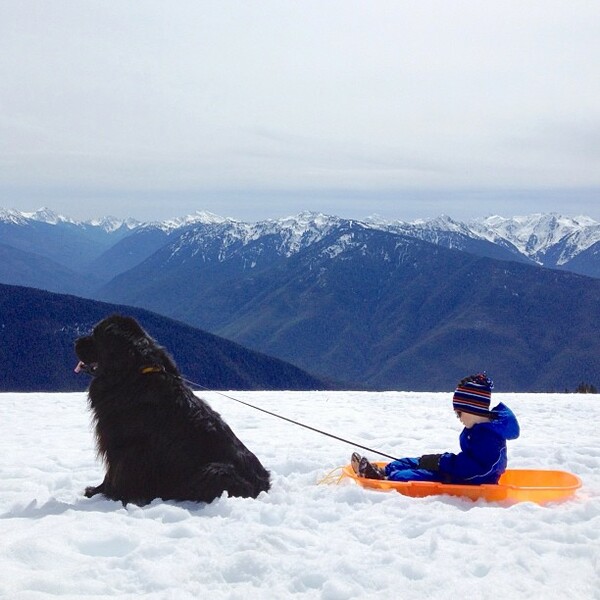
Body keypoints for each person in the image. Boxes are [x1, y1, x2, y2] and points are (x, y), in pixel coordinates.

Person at [351, 373, 520, 485]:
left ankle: (385, 478)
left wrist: (442, 463)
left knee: (416, 475)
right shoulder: (477, 430)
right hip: (456, 470)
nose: (459, 418)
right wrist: (439, 461)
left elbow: (477, 470)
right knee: (416, 461)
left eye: (459, 413)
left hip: (467, 480)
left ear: (472, 410)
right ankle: (383, 470)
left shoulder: (489, 438)